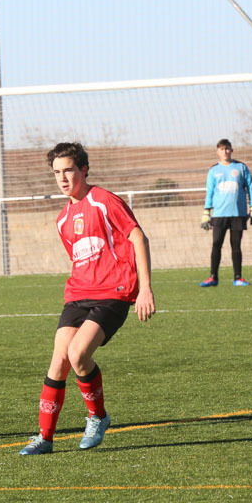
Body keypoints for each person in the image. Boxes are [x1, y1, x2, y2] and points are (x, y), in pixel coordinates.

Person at [19, 142, 156, 455]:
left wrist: (145, 288)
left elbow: (138, 237)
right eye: (57, 172)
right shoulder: (62, 219)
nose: (62, 178)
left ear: (83, 170)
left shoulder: (104, 200)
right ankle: (45, 438)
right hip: (78, 295)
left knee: (78, 354)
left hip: (113, 294)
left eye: (68, 170)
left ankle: (98, 417)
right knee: (59, 360)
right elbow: (78, 260)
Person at [199, 139, 252, 287]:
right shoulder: (213, 170)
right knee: (216, 244)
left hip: (238, 214)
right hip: (219, 214)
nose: (225, 152)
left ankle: (238, 278)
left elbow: (250, 188)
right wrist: (206, 212)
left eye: (227, 149)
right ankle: (213, 277)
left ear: (232, 150)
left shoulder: (241, 167)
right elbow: (210, 192)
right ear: (217, 152)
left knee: (236, 245)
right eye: (221, 149)